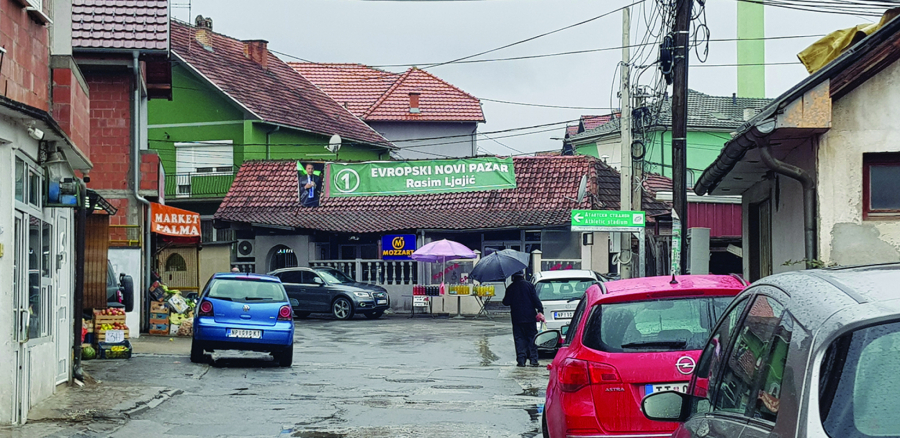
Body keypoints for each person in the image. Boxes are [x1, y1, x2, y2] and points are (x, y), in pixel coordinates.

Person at [502, 272, 544, 367]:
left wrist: (508, 293)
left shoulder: (511, 287)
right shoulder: (529, 286)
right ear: (523, 276)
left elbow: (505, 302)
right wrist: (540, 310)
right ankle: (534, 360)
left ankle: (521, 360)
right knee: (532, 338)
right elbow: (535, 299)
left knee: (519, 339)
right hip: (530, 318)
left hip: (517, 318)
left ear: (513, 277)